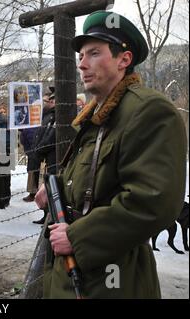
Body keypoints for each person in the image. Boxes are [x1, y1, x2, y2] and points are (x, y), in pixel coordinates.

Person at [34, 11, 187, 298]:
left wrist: (78, 238)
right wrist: (55, 190)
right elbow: (91, 181)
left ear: (124, 60)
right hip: (75, 272)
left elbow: (153, 202)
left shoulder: (149, 110)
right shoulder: (99, 114)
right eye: (81, 55)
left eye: (94, 53)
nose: (82, 63)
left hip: (113, 278)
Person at [32, 91, 56, 224]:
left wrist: (40, 148)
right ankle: (46, 215)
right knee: (44, 186)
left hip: (51, 157)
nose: (46, 103)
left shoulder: (55, 116)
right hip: (44, 156)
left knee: (50, 187)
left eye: (48, 101)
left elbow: (50, 136)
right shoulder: (46, 116)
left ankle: (50, 217)